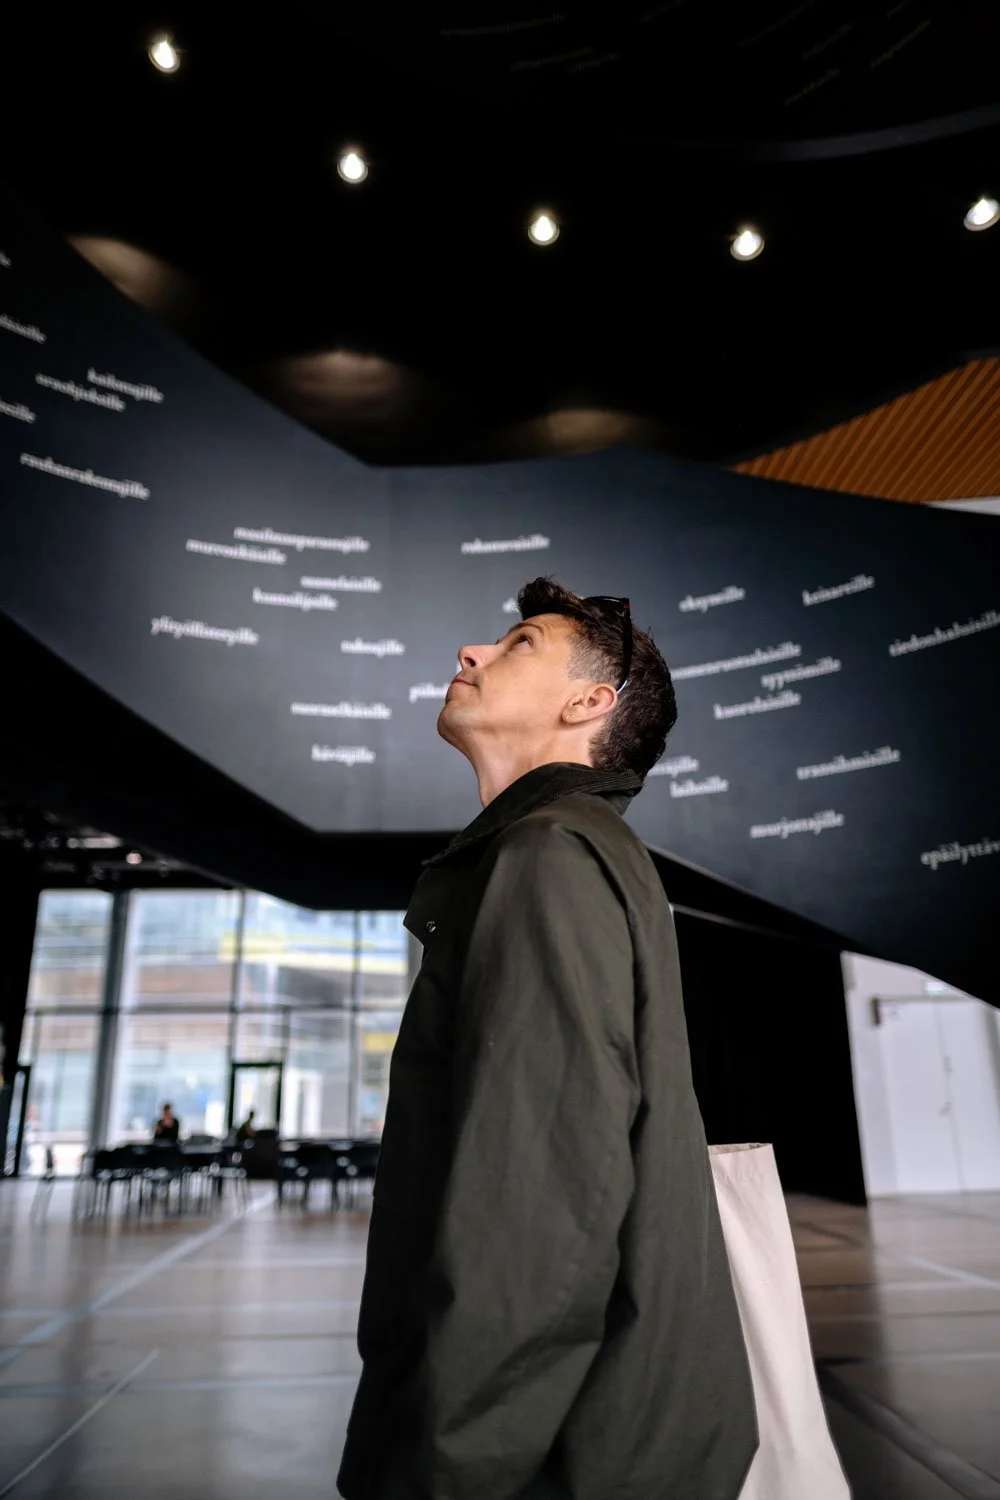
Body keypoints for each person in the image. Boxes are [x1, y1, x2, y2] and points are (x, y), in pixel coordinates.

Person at [337, 578, 757, 1500]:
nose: (473, 653)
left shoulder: (546, 856)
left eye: (518, 643)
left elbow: (540, 1210)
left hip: (557, 1455)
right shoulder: (572, 846)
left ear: (588, 704)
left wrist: (447, 1465)